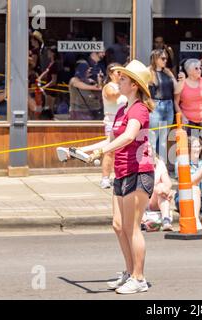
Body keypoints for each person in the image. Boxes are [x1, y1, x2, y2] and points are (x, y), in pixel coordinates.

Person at [78, 60, 155, 294]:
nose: (118, 81)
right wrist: (88, 149)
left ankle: (139, 278)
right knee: (118, 225)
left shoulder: (139, 108)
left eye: (122, 79)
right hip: (121, 171)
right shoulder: (122, 110)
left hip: (139, 170)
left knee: (132, 227)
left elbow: (130, 136)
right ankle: (130, 272)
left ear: (134, 85)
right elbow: (112, 141)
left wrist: (102, 152)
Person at [99, 63, 128, 189]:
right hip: (111, 122)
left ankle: (119, 176)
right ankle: (105, 178)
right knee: (110, 151)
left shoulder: (123, 87)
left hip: (124, 122)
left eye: (122, 72)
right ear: (111, 74)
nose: (120, 74)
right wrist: (124, 88)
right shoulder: (108, 87)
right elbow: (112, 96)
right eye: (118, 72)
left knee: (122, 151)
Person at [148, 49, 179, 162]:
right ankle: (150, 166)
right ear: (155, 59)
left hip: (168, 105)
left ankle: (161, 166)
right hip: (156, 105)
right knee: (153, 136)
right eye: (163, 58)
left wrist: (176, 79)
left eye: (166, 58)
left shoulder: (167, 72)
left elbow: (177, 90)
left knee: (163, 139)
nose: (165, 60)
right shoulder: (148, 72)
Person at [174, 59, 202, 138]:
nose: (199, 70)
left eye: (200, 68)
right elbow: (175, 102)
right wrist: (183, 117)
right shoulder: (182, 83)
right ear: (189, 71)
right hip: (188, 121)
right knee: (193, 145)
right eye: (196, 68)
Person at [147, 150, 175, 231]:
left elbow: (168, 183)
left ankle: (166, 221)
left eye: (149, 148)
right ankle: (165, 220)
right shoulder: (139, 164)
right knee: (160, 189)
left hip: (157, 197)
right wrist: (157, 190)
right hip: (144, 199)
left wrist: (166, 190)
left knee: (163, 188)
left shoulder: (159, 163)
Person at [36, 46, 60, 118]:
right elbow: (46, 72)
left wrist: (43, 87)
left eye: (49, 51)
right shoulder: (51, 63)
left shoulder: (54, 64)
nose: (47, 53)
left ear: (53, 53)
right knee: (48, 109)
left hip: (51, 90)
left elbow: (53, 81)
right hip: (49, 90)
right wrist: (39, 78)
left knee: (49, 109)